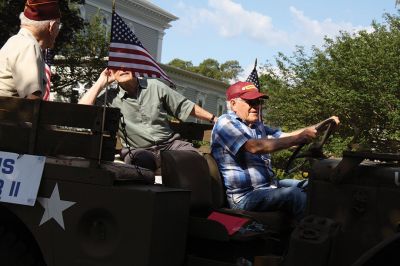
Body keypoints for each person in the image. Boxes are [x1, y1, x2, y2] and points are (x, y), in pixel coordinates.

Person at [211, 81, 339, 220]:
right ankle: (307, 237)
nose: (256, 106)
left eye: (258, 102)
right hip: (245, 197)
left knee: (315, 185)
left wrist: (322, 125)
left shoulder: (256, 126)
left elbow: (287, 137)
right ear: (234, 104)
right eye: (251, 102)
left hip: (269, 187)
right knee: (295, 195)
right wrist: (298, 138)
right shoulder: (225, 122)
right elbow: (253, 147)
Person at [79, 69, 218, 170]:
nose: (122, 69)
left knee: (197, 159)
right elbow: (82, 112)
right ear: (111, 72)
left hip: (170, 145)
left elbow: (184, 106)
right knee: (139, 166)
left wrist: (214, 118)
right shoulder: (109, 98)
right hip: (139, 150)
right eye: (117, 67)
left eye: (126, 64)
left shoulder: (155, 86)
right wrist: (101, 82)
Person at [0, 0, 61, 99]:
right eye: (59, 26)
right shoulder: (29, 45)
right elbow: (32, 103)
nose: (58, 31)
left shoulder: (16, 41)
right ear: (52, 27)